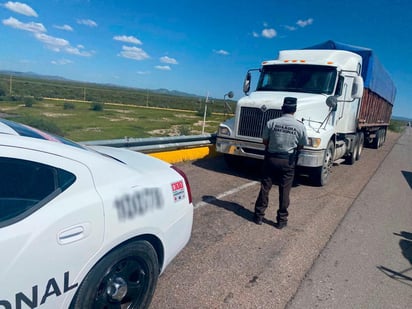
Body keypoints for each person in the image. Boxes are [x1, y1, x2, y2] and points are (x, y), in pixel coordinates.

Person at [253, 97, 308, 229]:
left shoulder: (271, 123)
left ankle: (259, 216)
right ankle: (281, 221)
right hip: (287, 161)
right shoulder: (300, 126)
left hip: (271, 159)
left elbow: (264, 141)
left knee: (265, 187)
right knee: (285, 190)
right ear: (294, 110)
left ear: (282, 109)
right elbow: (302, 145)